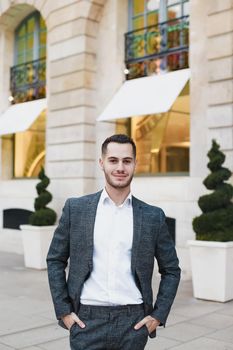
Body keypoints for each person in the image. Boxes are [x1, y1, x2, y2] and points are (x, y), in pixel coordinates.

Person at [47, 134, 181, 350]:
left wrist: (157, 316)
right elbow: (55, 259)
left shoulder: (152, 216)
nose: (120, 167)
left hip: (134, 323)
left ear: (135, 164)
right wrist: (64, 312)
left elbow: (172, 270)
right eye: (113, 160)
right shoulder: (76, 209)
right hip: (86, 320)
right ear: (102, 163)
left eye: (127, 161)